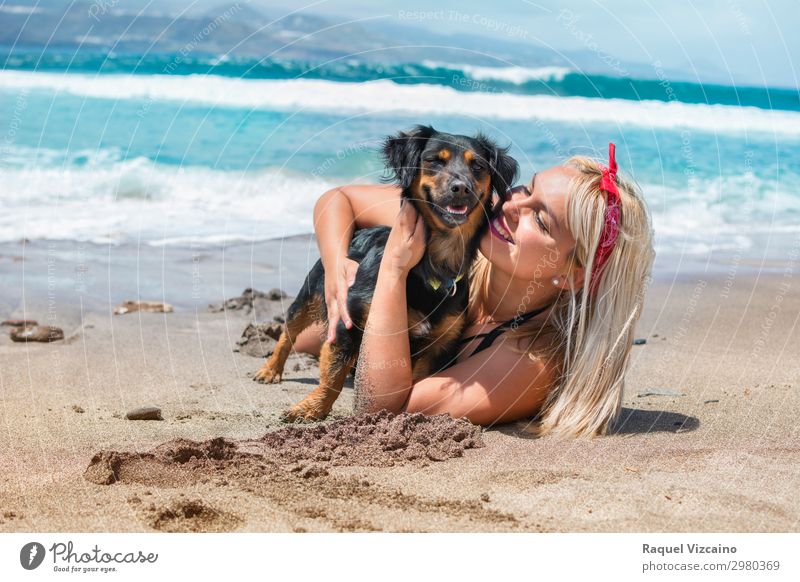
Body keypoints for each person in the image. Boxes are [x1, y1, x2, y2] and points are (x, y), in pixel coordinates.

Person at [291, 144, 655, 438]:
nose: (511, 206)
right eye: (527, 189)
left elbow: (379, 409)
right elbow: (339, 199)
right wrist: (337, 265)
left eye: (540, 220)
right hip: (323, 335)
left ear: (575, 274)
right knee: (301, 337)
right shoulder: (468, 221)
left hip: (367, 359)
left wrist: (394, 267)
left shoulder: (528, 361)